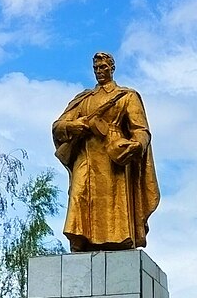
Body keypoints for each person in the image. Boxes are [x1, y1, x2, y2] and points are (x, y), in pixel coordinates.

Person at [53, 52, 160, 251]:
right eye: (96, 68)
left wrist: (137, 144)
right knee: (79, 194)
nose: (99, 71)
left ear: (112, 68)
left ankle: (118, 238)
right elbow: (58, 126)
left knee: (114, 203)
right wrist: (73, 126)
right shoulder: (84, 99)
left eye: (103, 67)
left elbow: (141, 129)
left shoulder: (126, 96)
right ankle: (79, 237)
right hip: (85, 155)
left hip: (113, 156)